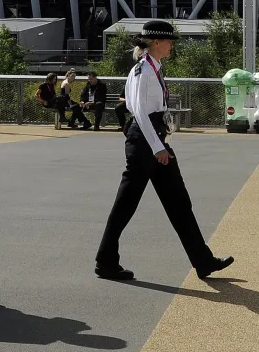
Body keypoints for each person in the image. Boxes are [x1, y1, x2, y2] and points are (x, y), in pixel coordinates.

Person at [94, 20, 233, 281]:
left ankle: (202, 260)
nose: (171, 45)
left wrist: (159, 144)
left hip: (152, 141)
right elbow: (140, 113)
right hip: (146, 143)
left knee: (179, 202)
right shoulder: (143, 71)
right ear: (155, 42)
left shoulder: (151, 68)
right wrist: (158, 148)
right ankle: (106, 261)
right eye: (168, 41)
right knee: (125, 206)